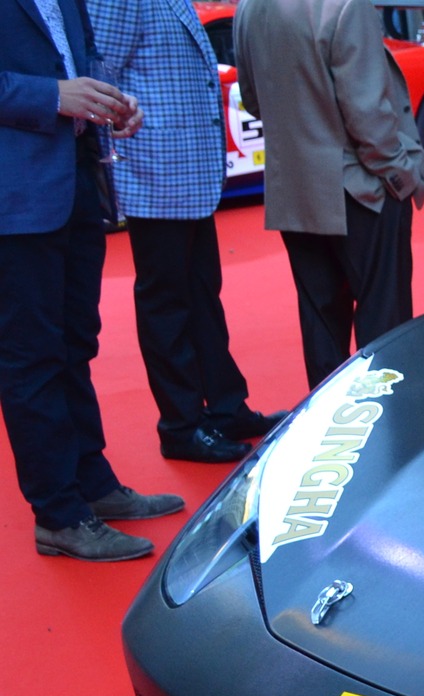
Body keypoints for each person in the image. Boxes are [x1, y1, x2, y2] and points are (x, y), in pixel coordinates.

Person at [1, 0, 185, 562]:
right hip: (15, 197)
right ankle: (58, 514)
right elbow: (55, 83)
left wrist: (113, 101)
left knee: (75, 342)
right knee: (32, 357)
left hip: (76, 176)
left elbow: (86, 56)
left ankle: (93, 485)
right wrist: (54, 96)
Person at [92, 0, 284, 464]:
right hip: (156, 170)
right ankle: (180, 426)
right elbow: (99, 72)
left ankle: (225, 408)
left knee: (201, 295)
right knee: (167, 304)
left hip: (187, 172)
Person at [234, 0, 424, 388]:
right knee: (384, 326)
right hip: (361, 186)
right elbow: (368, 117)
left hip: (295, 185)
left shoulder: (249, 7)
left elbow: (253, 99)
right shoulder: (345, 5)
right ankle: (386, 420)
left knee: (321, 328)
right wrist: (401, 175)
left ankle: (329, 421)